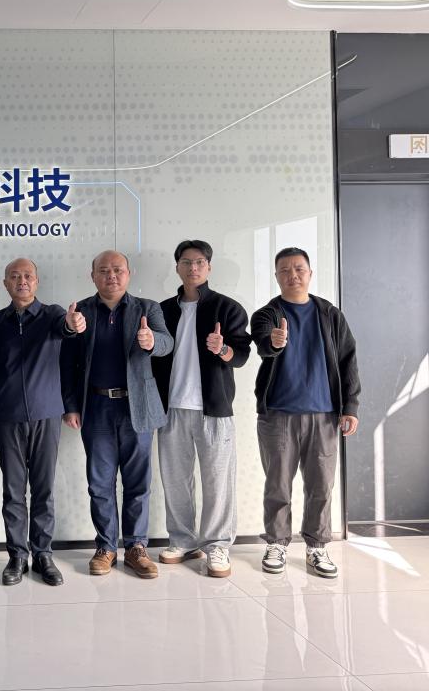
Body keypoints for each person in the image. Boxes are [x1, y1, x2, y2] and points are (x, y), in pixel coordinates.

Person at [61, 250, 173, 578]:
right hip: (96, 407)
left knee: (138, 482)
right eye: (104, 270)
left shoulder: (147, 308)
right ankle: (106, 547)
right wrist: (70, 405)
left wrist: (151, 341)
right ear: (93, 275)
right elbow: (67, 363)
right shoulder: (81, 311)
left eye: (117, 270)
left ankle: (136, 547)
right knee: (100, 483)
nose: (111, 276)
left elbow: (167, 343)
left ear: (128, 273)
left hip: (137, 407)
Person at [251, 247, 360, 578]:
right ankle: (277, 543)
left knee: (321, 485)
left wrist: (350, 406)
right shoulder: (266, 314)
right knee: (278, 485)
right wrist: (275, 341)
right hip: (278, 415)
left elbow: (348, 359)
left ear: (310, 273)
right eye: (284, 270)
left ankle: (317, 546)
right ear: (276, 276)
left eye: (299, 268)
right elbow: (263, 343)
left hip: (324, 415)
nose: (292, 275)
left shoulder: (330, 314)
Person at [0, 258, 84, 586]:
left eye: (27, 276)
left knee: (43, 489)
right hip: (7, 417)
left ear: (36, 281)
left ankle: (43, 555)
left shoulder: (52, 315)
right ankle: (17, 556)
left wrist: (73, 324)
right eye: (14, 276)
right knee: (13, 492)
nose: (21, 281)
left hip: (46, 414)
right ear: (5, 283)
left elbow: (67, 329)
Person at [151, 240, 251, 578]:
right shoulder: (163, 310)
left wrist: (222, 349)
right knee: (175, 481)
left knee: (218, 481)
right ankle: (182, 540)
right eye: (186, 262)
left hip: (214, 409)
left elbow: (241, 355)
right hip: (172, 408)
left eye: (199, 262)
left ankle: (217, 545)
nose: (192, 268)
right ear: (177, 267)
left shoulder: (228, 308)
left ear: (208, 267)